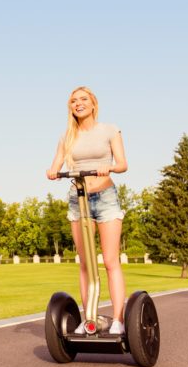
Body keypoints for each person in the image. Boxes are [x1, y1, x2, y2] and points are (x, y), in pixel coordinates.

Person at [46, 86, 128, 335]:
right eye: (73, 101)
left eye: (83, 99)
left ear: (93, 104)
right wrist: (52, 172)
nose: (78, 103)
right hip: (78, 198)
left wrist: (109, 168)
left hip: (105, 197)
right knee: (85, 263)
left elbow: (123, 163)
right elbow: (55, 165)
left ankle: (117, 320)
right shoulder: (67, 136)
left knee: (111, 261)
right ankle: (88, 318)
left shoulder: (110, 130)